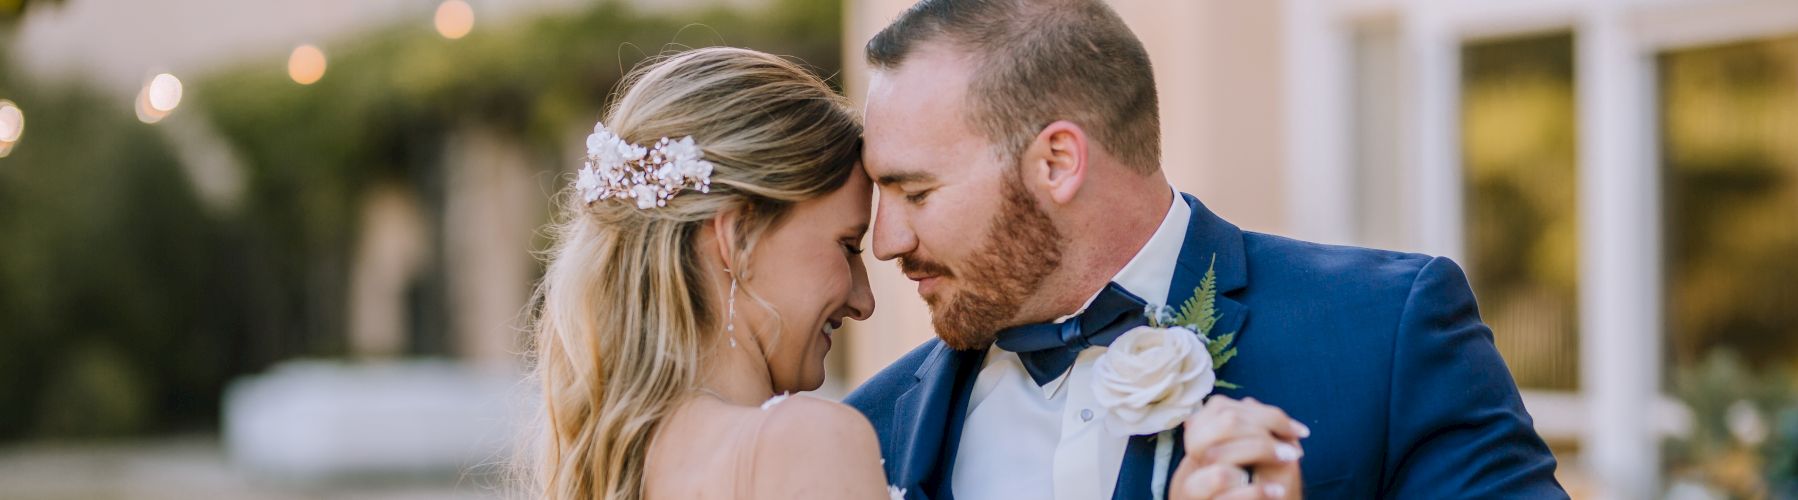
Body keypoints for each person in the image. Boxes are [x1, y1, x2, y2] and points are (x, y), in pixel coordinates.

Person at [842, 0, 1570, 499]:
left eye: (915, 192)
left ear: (1057, 161)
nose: (886, 241)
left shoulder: (1385, 333)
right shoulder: (866, 432)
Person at [527, 47, 893, 500]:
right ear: (740, 235)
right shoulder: (800, 446)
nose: (864, 300)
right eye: (848, 246)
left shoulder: (603, 473)